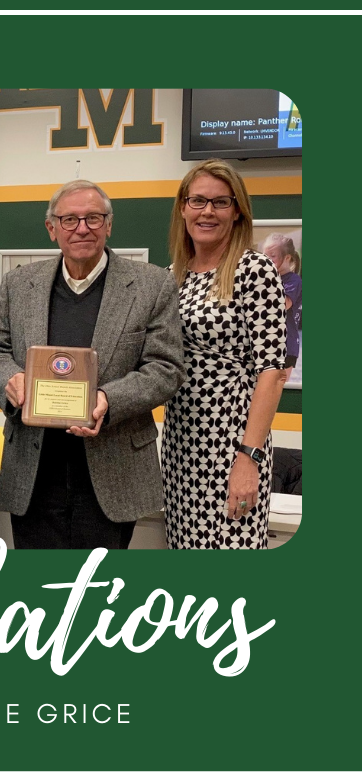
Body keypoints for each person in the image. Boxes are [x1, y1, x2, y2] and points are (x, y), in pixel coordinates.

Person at [0, 179, 185, 550]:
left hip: (113, 468)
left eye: (93, 218)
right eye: (69, 219)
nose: (82, 228)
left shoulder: (152, 285)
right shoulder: (17, 284)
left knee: (100, 589)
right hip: (34, 470)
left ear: (109, 225)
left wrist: (108, 398)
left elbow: (165, 367)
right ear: (51, 228)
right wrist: (10, 380)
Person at [162, 159, 287, 549]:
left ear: (237, 212)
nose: (207, 212)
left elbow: (273, 370)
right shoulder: (174, 274)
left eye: (220, 202)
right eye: (197, 200)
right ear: (183, 207)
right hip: (182, 442)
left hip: (232, 442)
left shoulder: (254, 269)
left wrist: (248, 457)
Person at [262, 232, 302, 382]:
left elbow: (281, 305)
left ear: (287, 258)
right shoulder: (266, 278)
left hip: (286, 345)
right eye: (265, 255)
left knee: (275, 389)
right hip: (265, 343)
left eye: (272, 255)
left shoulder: (293, 280)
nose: (267, 260)